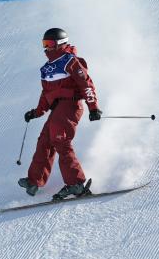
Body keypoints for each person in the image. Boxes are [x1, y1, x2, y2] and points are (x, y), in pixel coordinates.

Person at [18, 28, 103, 199]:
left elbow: (86, 84)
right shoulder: (46, 69)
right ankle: (34, 180)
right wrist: (37, 112)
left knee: (60, 140)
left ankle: (76, 184)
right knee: (44, 141)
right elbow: (46, 94)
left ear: (61, 44)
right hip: (57, 109)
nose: (46, 48)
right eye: (44, 44)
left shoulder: (70, 61)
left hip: (70, 105)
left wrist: (93, 107)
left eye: (49, 44)